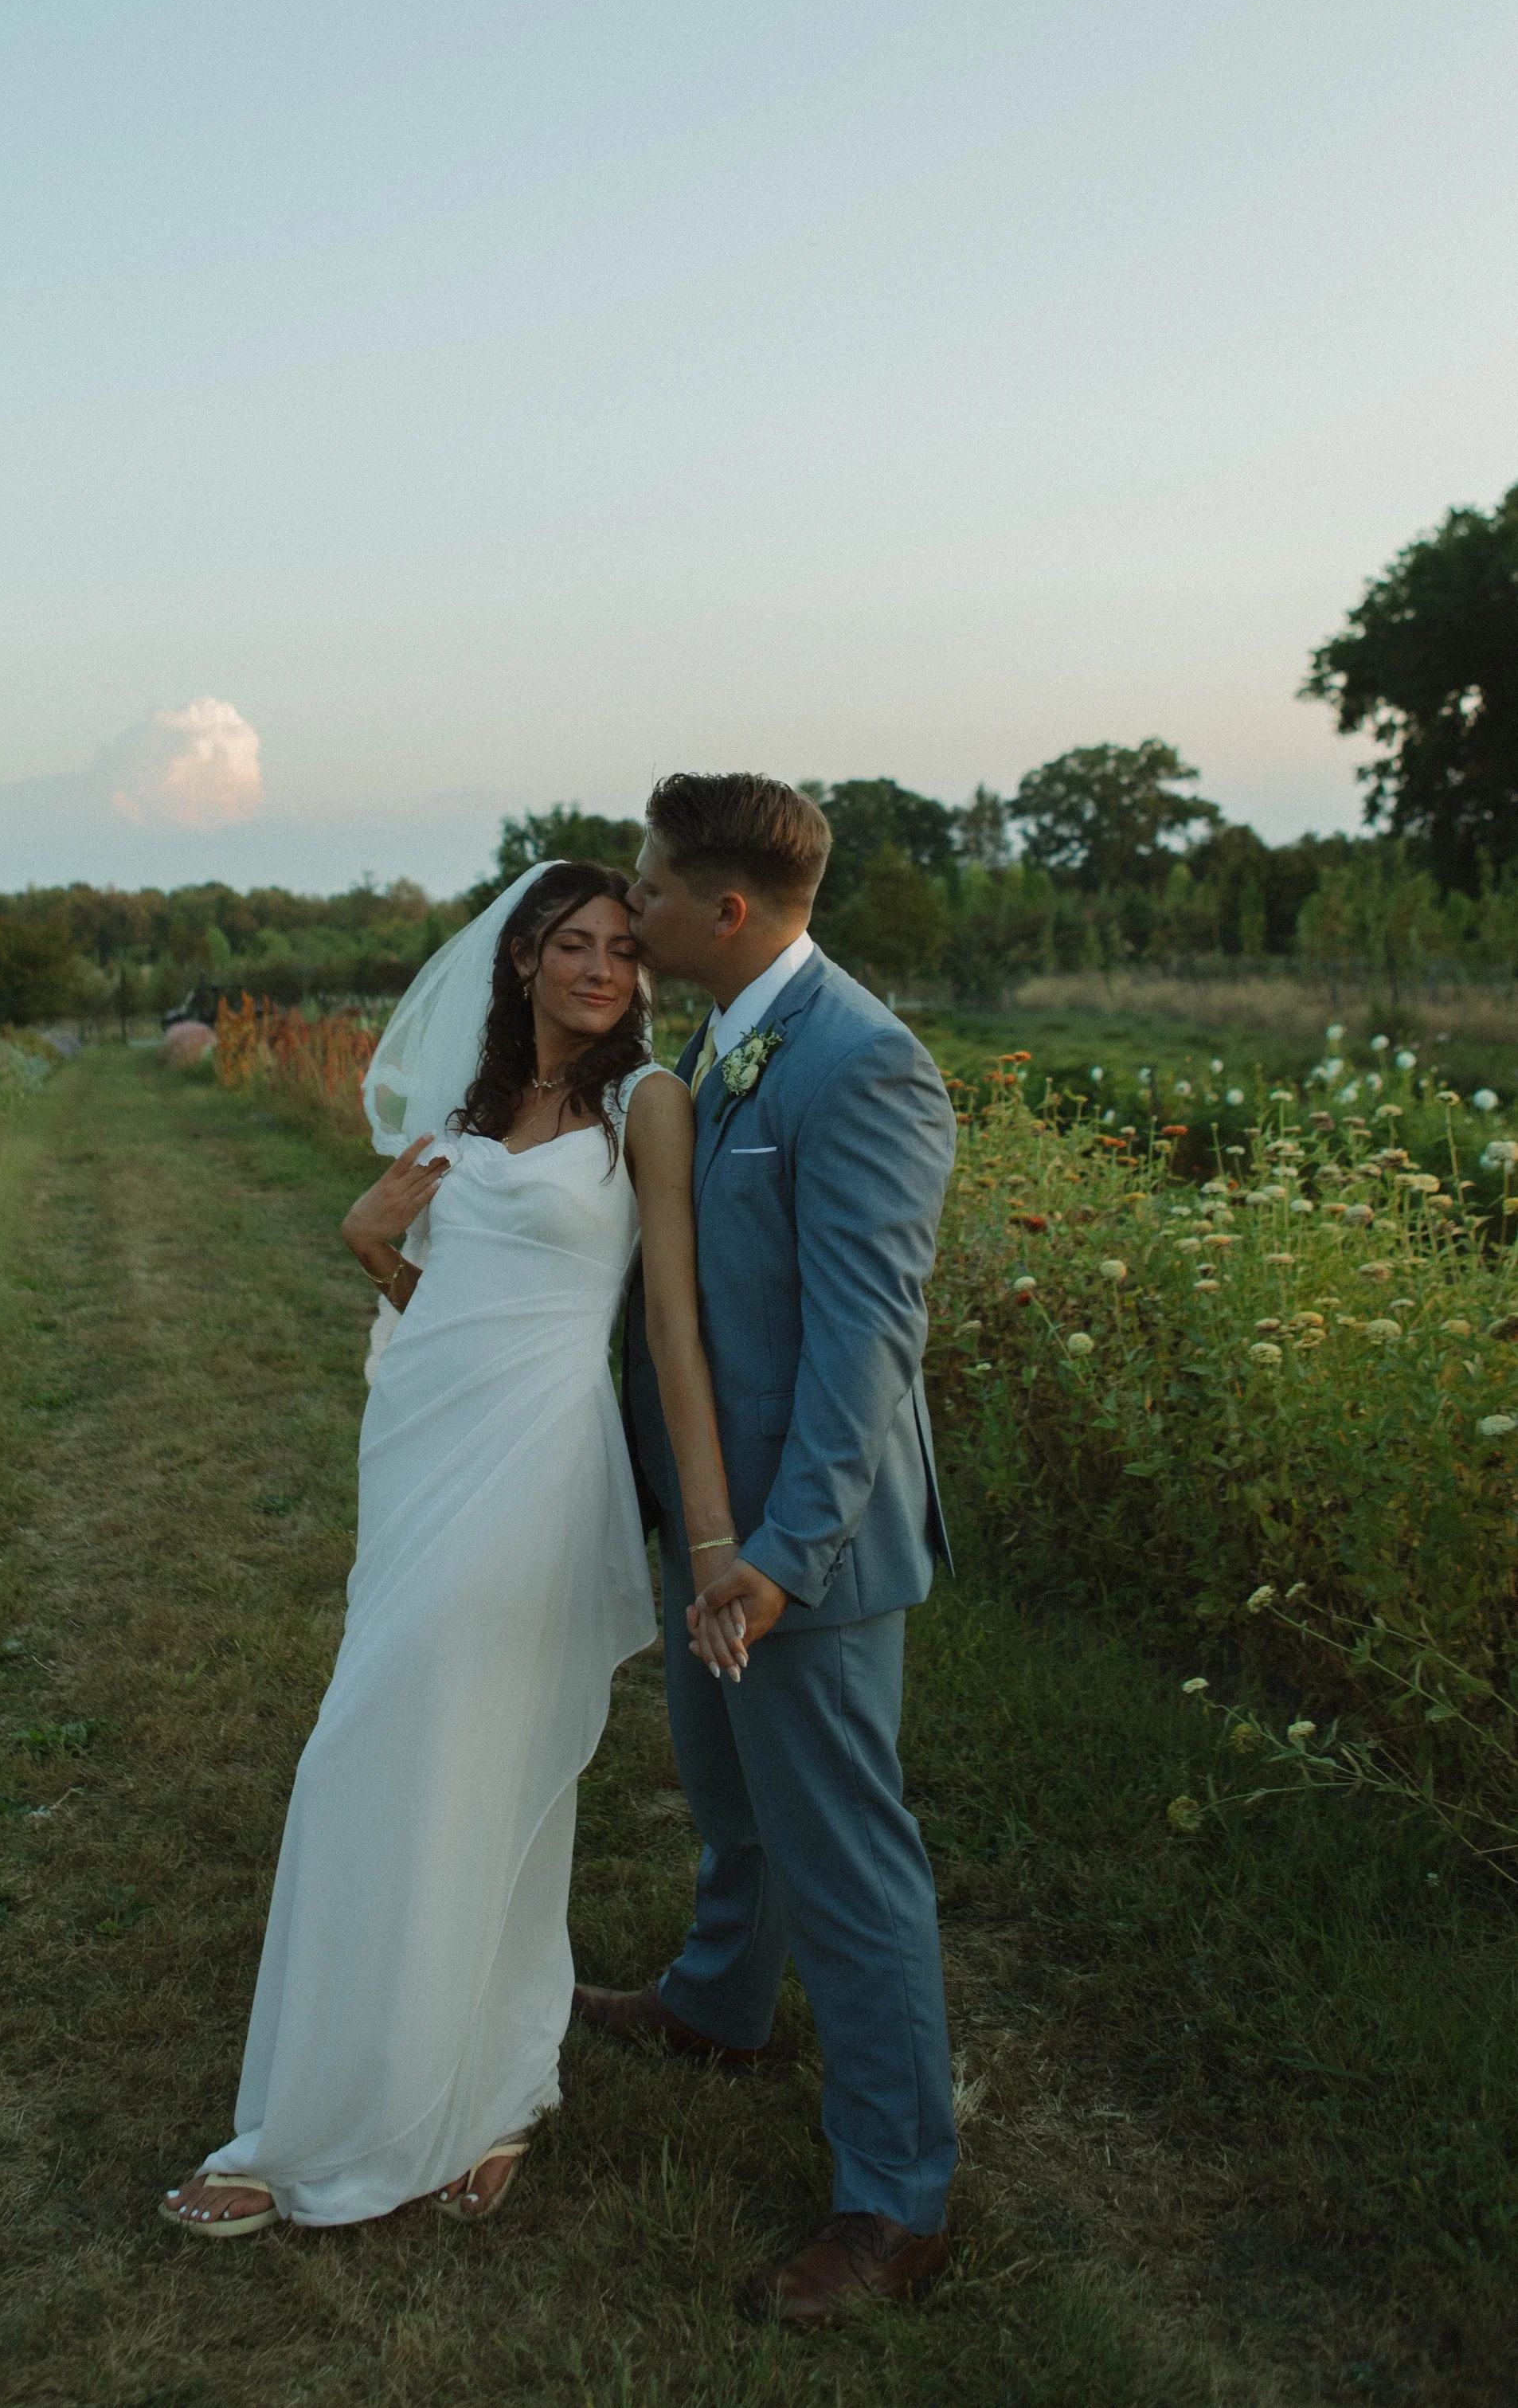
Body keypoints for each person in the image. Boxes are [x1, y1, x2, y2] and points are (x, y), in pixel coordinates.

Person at [160, 860, 745, 2236]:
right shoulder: (473, 1107)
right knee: (421, 1744)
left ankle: (342, 2127)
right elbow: (433, 1279)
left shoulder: (644, 1109)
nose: (604, 968)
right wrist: (375, 1245)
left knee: (436, 1746)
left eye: (622, 948)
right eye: (573, 944)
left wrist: (711, 1529)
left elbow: (666, 1322)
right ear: (524, 961)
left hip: (541, 1452)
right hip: (421, 1440)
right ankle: (491, 2091)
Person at [577, 772, 959, 2330]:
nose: (635, 913)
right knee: (724, 1798)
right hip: (710, 1528)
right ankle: (718, 2004)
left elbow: (865, 1347)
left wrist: (780, 1557)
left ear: (725, 911)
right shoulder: (719, 1043)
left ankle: (894, 2196)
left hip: (799, 1552)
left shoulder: (861, 1068)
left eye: (653, 891)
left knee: (848, 1865)